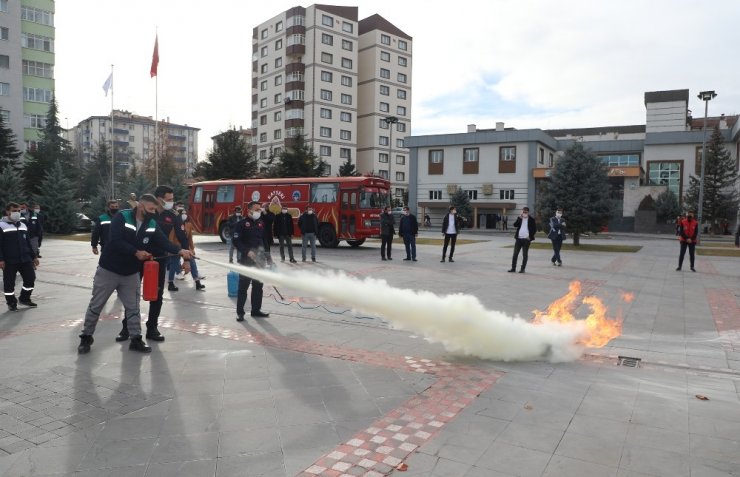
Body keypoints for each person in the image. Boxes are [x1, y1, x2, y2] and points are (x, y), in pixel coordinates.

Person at [77, 194, 193, 354]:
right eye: (151, 209)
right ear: (141, 207)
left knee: (133, 307)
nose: (154, 212)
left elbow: (163, 242)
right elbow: (115, 241)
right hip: (109, 269)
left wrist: (181, 251)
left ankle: (136, 339)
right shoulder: (122, 217)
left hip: (131, 272)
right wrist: (136, 252)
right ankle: (86, 337)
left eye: (155, 209)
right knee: (96, 305)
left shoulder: (151, 223)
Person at [115, 185, 190, 343]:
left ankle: (152, 327)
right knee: (132, 294)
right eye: (168, 199)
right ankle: (127, 326)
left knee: (157, 295)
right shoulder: (145, 213)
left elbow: (182, 237)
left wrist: (186, 258)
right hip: (138, 258)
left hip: (158, 260)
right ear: (158, 199)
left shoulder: (172, 215)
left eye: (172, 199)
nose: (171, 202)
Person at [233, 201, 270, 321]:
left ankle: (256, 310)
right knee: (243, 288)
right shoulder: (241, 224)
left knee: (258, 287)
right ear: (249, 211)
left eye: (260, 209)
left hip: (259, 261)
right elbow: (236, 241)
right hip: (246, 261)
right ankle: (240, 312)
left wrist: (267, 257)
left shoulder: (260, 223)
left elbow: (263, 241)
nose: (259, 212)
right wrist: (247, 251)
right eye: (256, 209)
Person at [1, 202, 39, 311]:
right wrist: (1, 259)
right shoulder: (1, 225)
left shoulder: (23, 225)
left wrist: (34, 257)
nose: (17, 213)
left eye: (18, 211)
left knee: (30, 278)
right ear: (8, 212)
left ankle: (24, 298)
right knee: (9, 283)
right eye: (14, 211)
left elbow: (28, 243)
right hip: (9, 261)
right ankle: (11, 302)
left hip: (25, 259)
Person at [180, 208, 205, 290]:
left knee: (192, 262)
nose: (184, 215)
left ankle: (197, 282)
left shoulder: (189, 224)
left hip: (186, 247)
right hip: (177, 247)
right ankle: (170, 282)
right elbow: (173, 237)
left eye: (185, 213)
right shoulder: (176, 224)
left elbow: (190, 238)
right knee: (173, 264)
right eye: (182, 213)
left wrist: (192, 248)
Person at [508, 206, 536, 273]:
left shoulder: (531, 219)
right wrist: (519, 218)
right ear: (522, 212)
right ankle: (513, 268)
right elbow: (515, 225)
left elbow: (534, 229)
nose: (524, 213)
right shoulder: (520, 218)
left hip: (526, 240)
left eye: (526, 212)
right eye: (523, 212)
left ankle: (522, 269)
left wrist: (530, 236)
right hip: (519, 239)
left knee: (525, 255)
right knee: (515, 254)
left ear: (528, 212)